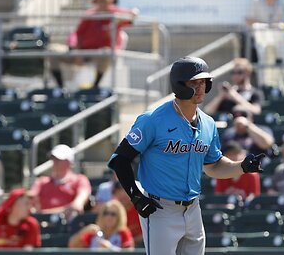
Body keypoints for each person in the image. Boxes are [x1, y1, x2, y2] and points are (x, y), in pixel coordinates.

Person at [107, 56, 264, 255]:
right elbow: (120, 159)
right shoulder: (153, 119)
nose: (200, 87)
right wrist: (136, 197)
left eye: (203, 82)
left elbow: (213, 166)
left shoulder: (208, 123)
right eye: (194, 83)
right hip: (160, 208)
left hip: (193, 209)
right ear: (179, 85)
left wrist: (241, 166)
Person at [50, 0, 138, 88]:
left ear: (110, 0)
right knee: (52, 51)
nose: (103, 3)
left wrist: (121, 19)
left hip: (100, 54)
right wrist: (76, 51)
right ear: (95, 1)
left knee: (106, 52)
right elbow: (76, 34)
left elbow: (133, 14)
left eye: (105, 0)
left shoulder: (115, 14)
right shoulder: (90, 15)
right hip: (83, 52)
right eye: (100, 0)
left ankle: (94, 87)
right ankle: (61, 89)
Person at [30, 144, 91, 218]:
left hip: (68, 226)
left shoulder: (80, 180)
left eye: (59, 159)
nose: (55, 162)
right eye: (53, 159)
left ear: (69, 162)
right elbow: (29, 200)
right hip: (43, 225)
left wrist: (43, 214)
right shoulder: (41, 182)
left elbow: (77, 206)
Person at [68, 200, 133, 250]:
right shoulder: (94, 231)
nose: (109, 217)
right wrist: (84, 231)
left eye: (113, 214)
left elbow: (130, 252)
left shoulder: (123, 232)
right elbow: (72, 246)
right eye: (106, 213)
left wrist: (110, 248)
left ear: (119, 217)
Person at [112, 181, 143, 246]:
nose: (122, 194)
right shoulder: (111, 210)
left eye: (125, 191)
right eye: (118, 192)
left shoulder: (141, 207)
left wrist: (129, 241)